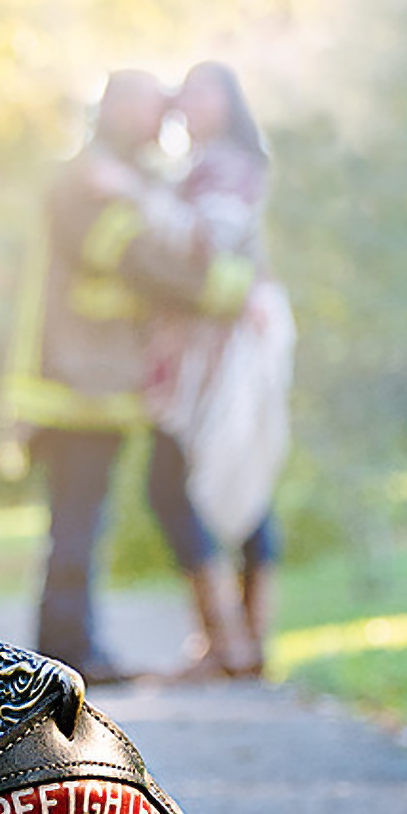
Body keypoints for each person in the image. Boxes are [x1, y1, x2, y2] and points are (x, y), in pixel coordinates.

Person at [0, 69, 253, 684]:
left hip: (96, 384)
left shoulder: (122, 177)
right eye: (149, 108)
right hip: (74, 384)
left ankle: (71, 649)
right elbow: (140, 260)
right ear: (113, 109)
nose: (160, 122)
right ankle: (67, 655)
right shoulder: (86, 181)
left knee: (83, 519)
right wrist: (226, 289)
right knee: (78, 520)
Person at [144, 62, 295, 679]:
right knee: (215, 479)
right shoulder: (199, 166)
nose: (193, 102)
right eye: (189, 91)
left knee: (207, 478)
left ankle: (233, 642)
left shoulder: (227, 165)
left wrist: (136, 201)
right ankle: (239, 643)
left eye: (208, 91)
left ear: (230, 101)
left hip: (227, 348)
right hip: (205, 345)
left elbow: (210, 245)